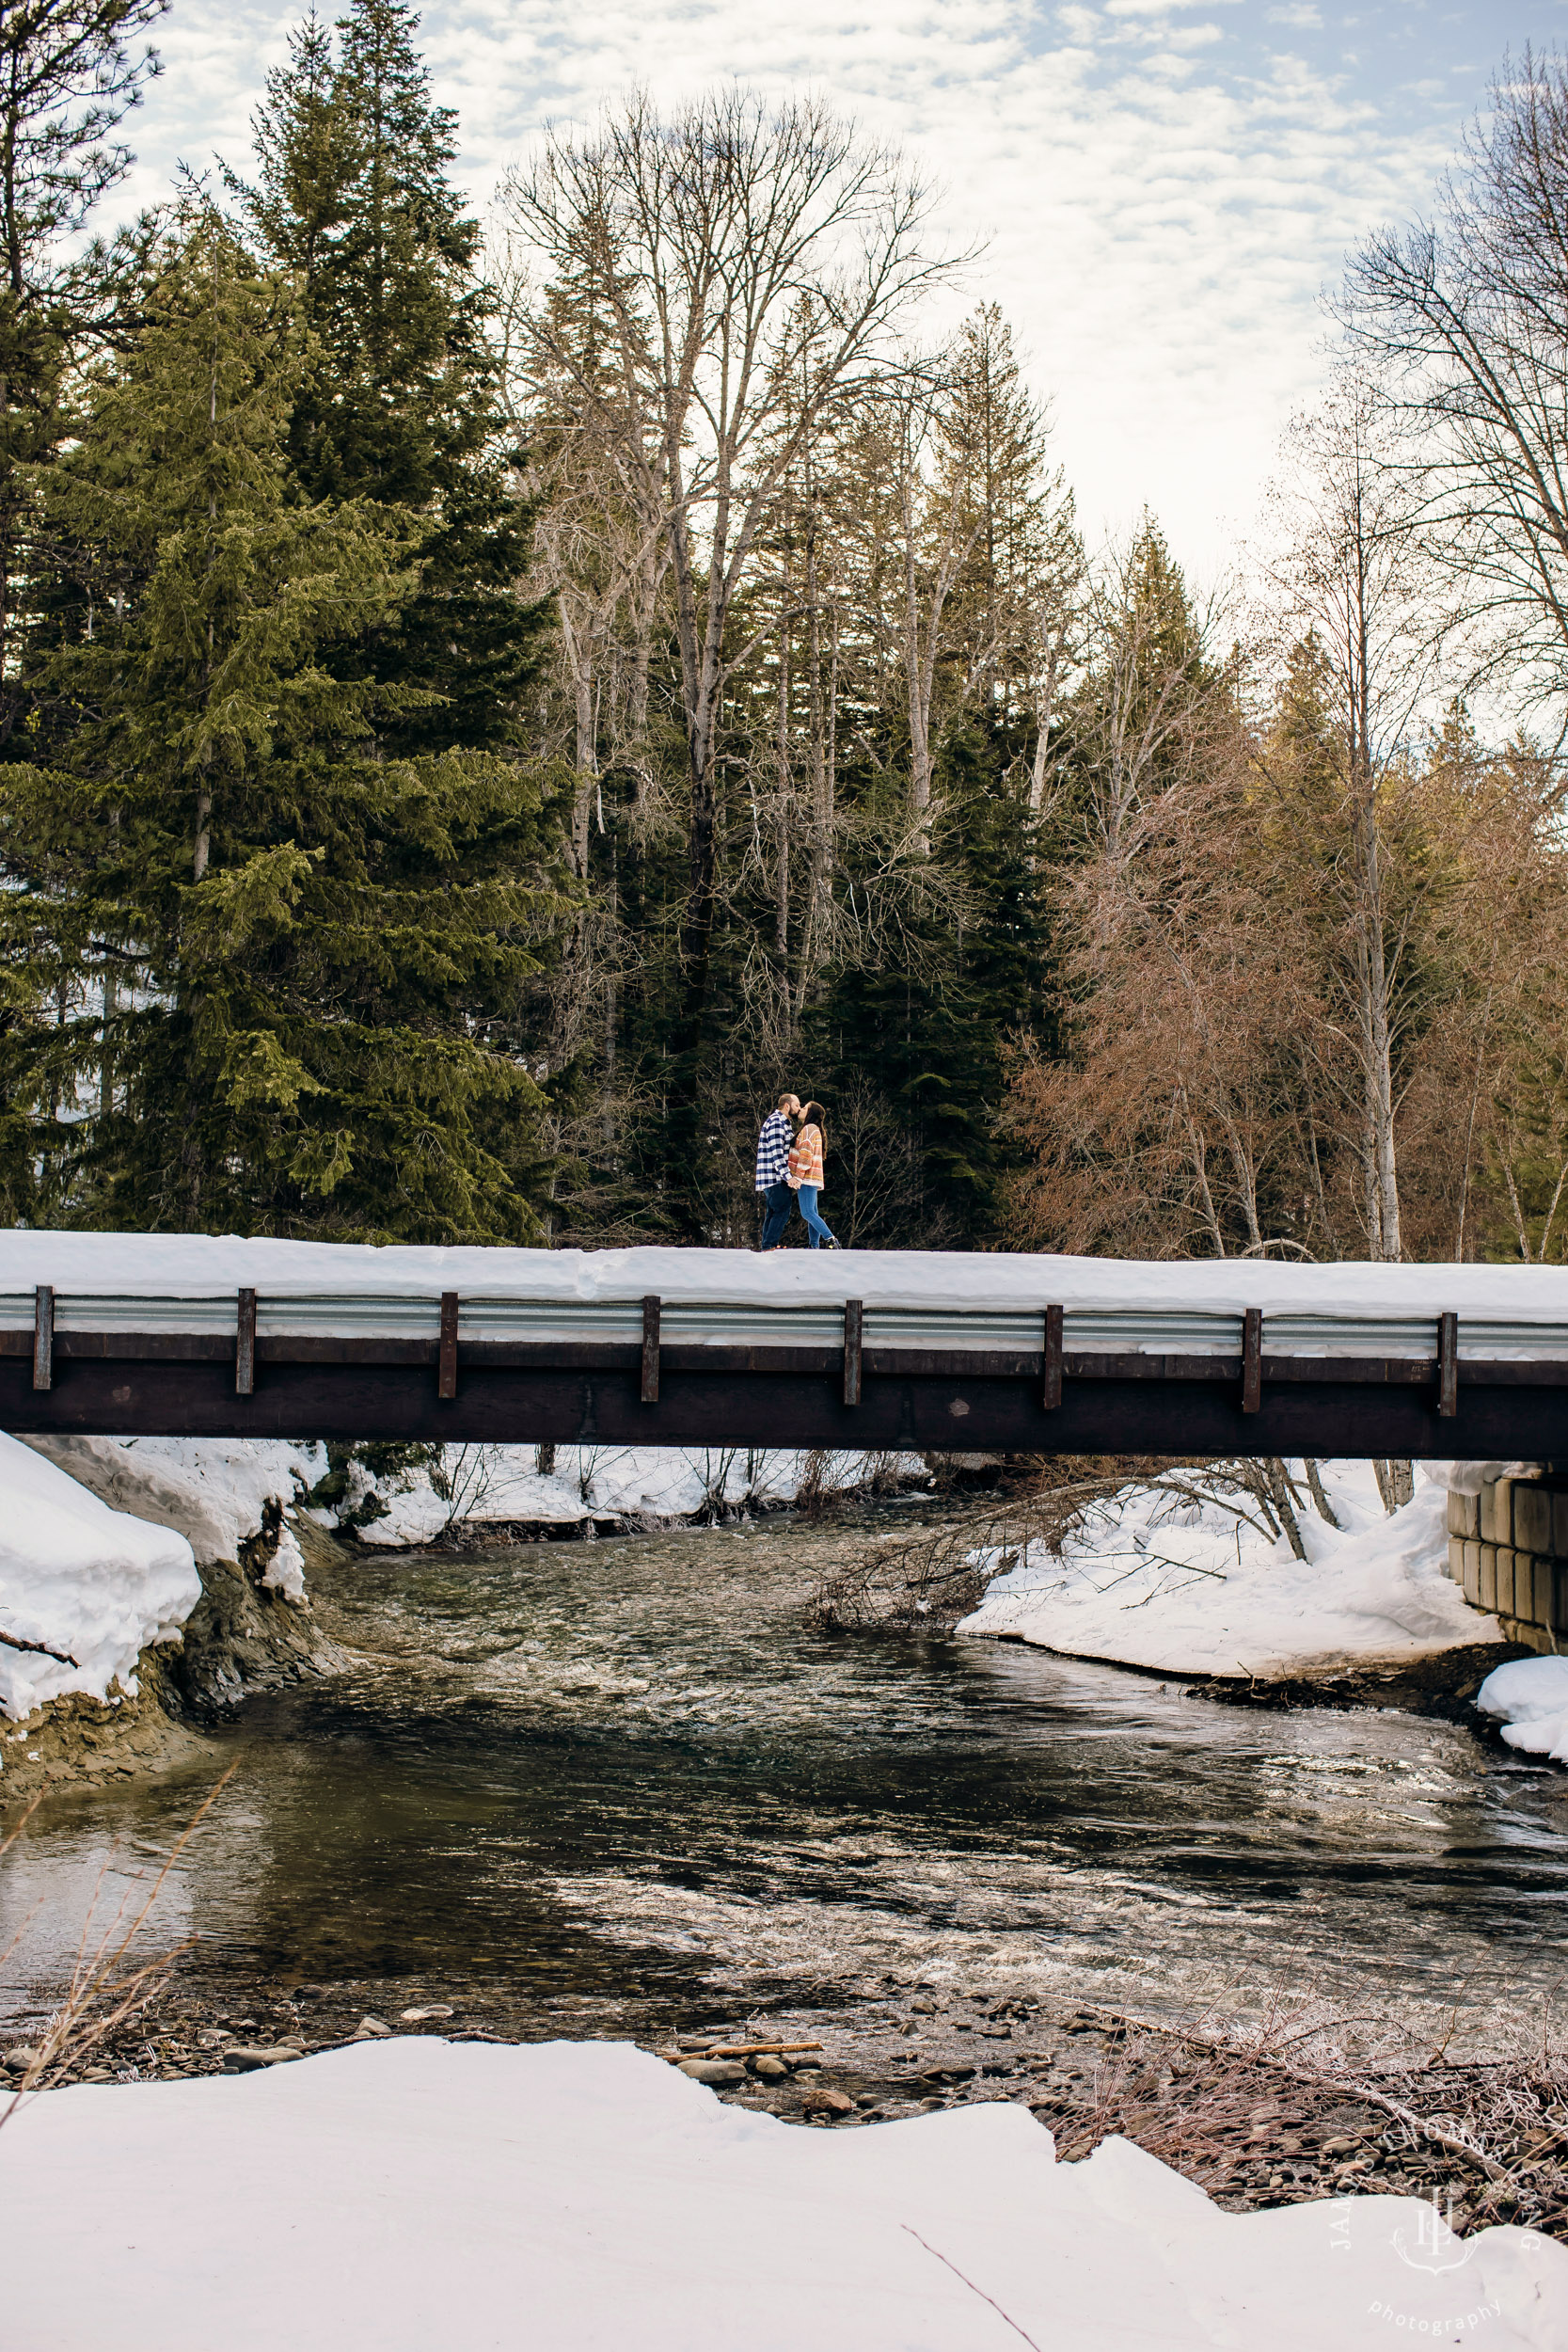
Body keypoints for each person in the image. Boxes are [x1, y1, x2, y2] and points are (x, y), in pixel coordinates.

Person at [787, 1101, 838, 1249]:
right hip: (811, 1177)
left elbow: (806, 1153)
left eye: (804, 1108)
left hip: (806, 1177)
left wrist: (798, 1176)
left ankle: (831, 1240)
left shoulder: (809, 1128)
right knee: (812, 1212)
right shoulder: (813, 1129)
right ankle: (814, 1245)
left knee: (808, 1212)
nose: (801, 1109)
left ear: (810, 1113)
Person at [754, 1092, 801, 1250]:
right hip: (774, 1177)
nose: (799, 1109)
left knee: (773, 1212)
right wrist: (788, 1177)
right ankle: (769, 1246)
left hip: (773, 1177)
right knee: (782, 1209)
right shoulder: (776, 1122)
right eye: (796, 1105)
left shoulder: (784, 1123)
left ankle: (767, 1245)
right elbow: (777, 1154)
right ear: (787, 1105)